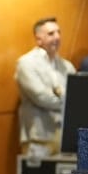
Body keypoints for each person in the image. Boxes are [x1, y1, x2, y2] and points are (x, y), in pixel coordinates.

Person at [15, 16, 75, 156]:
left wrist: (63, 96)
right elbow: (41, 97)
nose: (57, 37)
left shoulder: (67, 66)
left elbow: (77, 97)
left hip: (64, 138)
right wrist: (67, 99)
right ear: (39, 39)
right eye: (51, 34)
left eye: (59, 32)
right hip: (38, 139)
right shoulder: (26, 63)